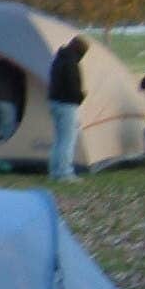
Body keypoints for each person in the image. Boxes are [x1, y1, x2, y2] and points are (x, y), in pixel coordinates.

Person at [46, 35, 89, 181]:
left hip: (54, 102)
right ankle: (65, 172)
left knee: (58, 140)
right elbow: (72, 85)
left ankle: (54, 171)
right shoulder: (71, 62)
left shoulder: (59, 58)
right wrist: (81, 96)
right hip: (67, 104)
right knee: (67, 140)